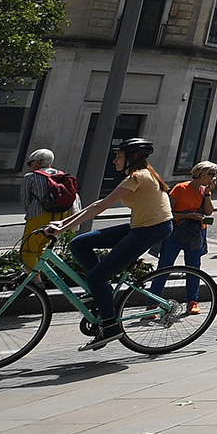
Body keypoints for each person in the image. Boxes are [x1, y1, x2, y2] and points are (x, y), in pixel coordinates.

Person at [44, 138, 173, 347]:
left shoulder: (138, 176)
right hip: (141, 226)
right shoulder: (138, 175)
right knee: (78, 244)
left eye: (119, 156)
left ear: (132, 157)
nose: (114, 160)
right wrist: (63, 222)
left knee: (96, 277)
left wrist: (62, 229)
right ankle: (101, 290)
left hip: (151, 230)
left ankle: (110, 326)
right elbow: (98, 203)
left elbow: (100, 208)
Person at [151, 161, 216, 313]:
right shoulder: (180, 188)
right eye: (212, 174)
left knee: (193, 268)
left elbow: (208, 212)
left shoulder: (204, 190)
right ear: (202, 175)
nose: (214, 178)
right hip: (176, 231)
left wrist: (207, 194)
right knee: (164, 266)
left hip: (196, 233)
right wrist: (187, 216)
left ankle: (192, 301)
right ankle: (152, 302)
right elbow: (166, 212)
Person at [18, 149, 77, 269]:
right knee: (41, 247)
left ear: (38, 162)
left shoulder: (30, 176)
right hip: (60, 215)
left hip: (38, 215)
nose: (30, 166)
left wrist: (29, 213)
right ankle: (42, 272)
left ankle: (36, 278)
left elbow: (25, 199)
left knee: (27, 250)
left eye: (30, 163)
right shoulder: (61, 174)